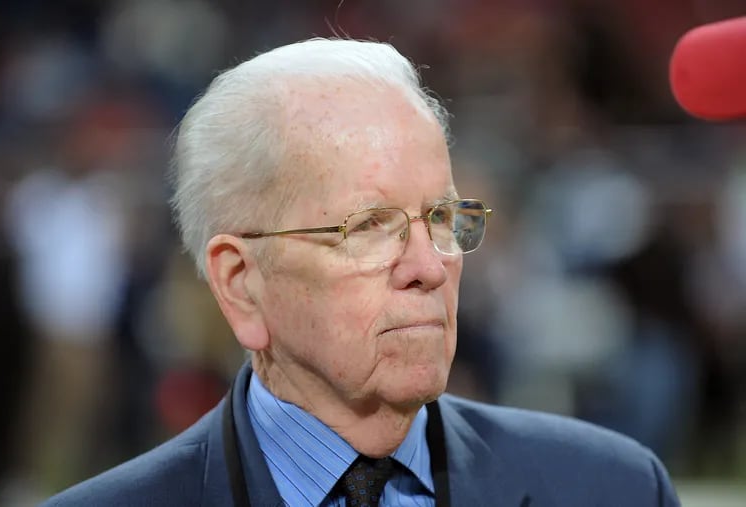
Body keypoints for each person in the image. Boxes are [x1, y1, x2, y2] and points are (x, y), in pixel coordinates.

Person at [42, 38, 680, 507]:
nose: (430, 267)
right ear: (241, 284)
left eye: (439, 216)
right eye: (368, 226)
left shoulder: (615, 488)